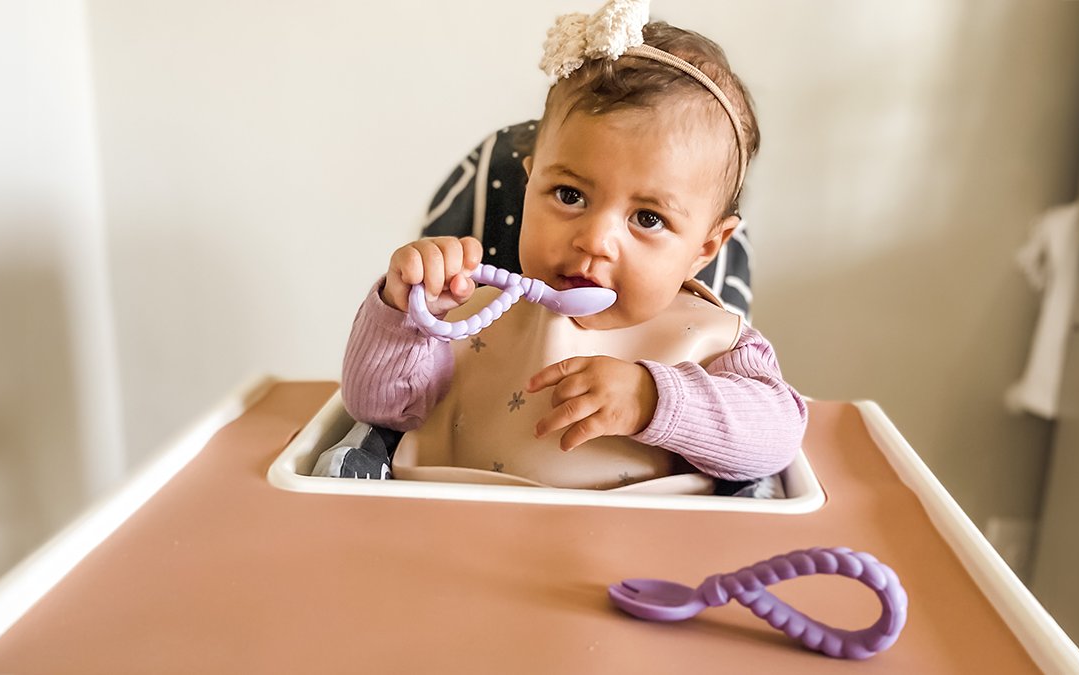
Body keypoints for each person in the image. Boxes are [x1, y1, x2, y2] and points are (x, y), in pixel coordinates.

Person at [337, 1, 807, 492]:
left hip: (642, 553)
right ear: (528, 186)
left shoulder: (712, 342)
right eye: (570, 195)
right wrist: (403, 315)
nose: (594, 241)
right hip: (457, 529)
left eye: (648, 218)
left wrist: (655, 399)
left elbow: (777, 437)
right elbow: (377, 407)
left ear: (707, 247)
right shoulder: (467, 311)